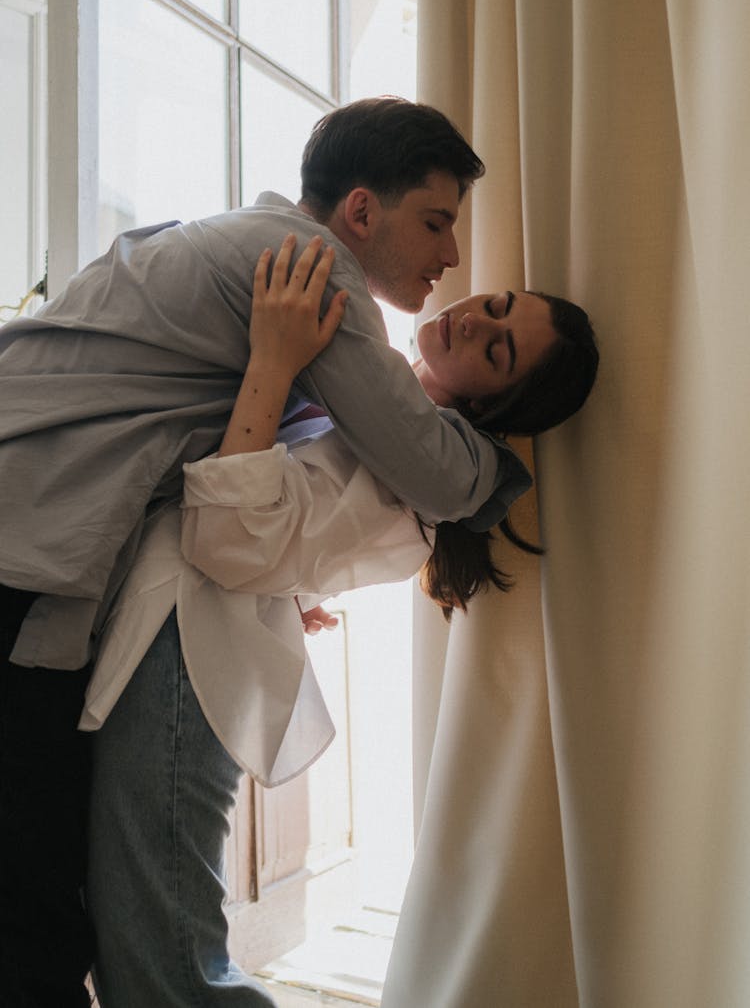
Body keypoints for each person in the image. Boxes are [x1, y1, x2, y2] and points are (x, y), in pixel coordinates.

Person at [0, 97, 534, 1007]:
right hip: (26, 551)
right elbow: (438, 475)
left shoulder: (243, 236)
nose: (450, 259)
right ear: (363, 211)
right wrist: (510, 468)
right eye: (437, 222)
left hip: (41, 546)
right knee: (43, 904)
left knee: (48, 896)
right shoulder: (309, 267)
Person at [84, 236, 599, 1006]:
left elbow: (228, 539)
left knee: (167, 970)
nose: (473, 322)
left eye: (497, 351)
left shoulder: (422, 483)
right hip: (168, 644)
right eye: (496, 307)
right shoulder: (369, 400)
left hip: (184, 671)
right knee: (146, 947)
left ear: (490, 405)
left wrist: (272, 359)